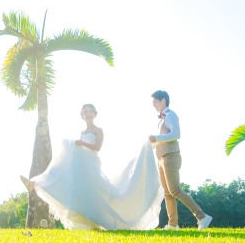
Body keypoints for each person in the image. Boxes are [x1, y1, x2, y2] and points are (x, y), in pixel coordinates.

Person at [21, 103, 163, 230]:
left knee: (96, 195)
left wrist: (81, 144)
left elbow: (97, 147)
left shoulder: (98, 130)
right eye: (85, 112)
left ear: (95, 114)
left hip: (92, 166)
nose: (88, 114)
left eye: (90, 111)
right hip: (83, 167)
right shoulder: (82, 133)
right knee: (75, 183)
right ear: (82, 116)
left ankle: (36, 183)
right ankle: (36, 183)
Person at [149, 90, 213, 230]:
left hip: (171, 157)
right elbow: (161, 139)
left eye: (155, 102)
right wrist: (150, 144)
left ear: (163, 100)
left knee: (175, 190)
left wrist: (156, 138)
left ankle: (202, 216)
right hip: (161, 159)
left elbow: (176, 134)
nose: (153, 105)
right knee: (167, 193)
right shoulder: (161, 118)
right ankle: (173, 224)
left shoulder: (170, 115)